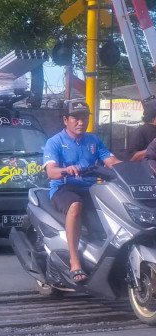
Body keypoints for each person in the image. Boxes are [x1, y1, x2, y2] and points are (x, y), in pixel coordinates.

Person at [43, 100, 121, 283]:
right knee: (76, 205)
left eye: (84, 118)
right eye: (75, 118)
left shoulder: (94, 140)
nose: (80, 122)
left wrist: (134, 168)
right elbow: (51, 172)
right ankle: (74, 261)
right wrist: (65, 170)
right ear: (65, 120)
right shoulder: (54, 142)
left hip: (92, 189)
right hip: (64, 188)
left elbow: (112, 162)